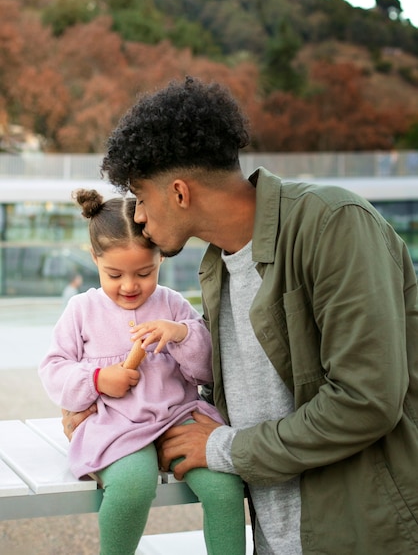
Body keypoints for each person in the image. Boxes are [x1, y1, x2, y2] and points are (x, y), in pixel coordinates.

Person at [65, 77, 418, 554]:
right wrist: (100, 407)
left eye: (140, 197)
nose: (140, 217)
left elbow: (366, 400)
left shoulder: (334, 224)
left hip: (360, 534)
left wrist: (223, 448)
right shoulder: (218, 267)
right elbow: (240, 390)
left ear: (179, 192)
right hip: (276, 536)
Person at [39, 189, 246, 555]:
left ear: (160, 259)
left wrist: (181, 334)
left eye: (144, 272)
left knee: (224, 487)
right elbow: (54, 372)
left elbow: (206, 371)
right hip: (115, 425)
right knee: (133, 485)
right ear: (94, 259)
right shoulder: (82, 310)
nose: (130, 286)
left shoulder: (172, 304)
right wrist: (98, 380)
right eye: (114, 274)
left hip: (178, 418)